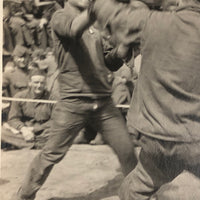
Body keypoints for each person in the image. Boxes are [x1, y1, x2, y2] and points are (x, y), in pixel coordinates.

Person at [12, 0, 137, 199]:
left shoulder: (94, 27)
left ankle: (138, 194)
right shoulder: (60, 17)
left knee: (127, 151)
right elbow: (73, 30)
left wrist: (124, 46)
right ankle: (24, 196)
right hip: (73, 102)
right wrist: (97, 9)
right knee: (51, 154)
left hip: (103, 102)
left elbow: (109, 62)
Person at [91, 0, 200, 199]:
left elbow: (104, 8)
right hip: (195, 140)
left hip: (160, 139)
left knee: (133, 190)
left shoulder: (153, 22)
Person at [2, 68, 52, 149]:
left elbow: (56, 120)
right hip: (25, 131)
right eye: (36, 82)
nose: (39, 86)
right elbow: (13, 119)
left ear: (45, 84)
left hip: (44, 130)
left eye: (42, 83)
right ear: (30, 83)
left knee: (70, 132)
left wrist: (34, 129)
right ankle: (41, 144)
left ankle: (27, 144)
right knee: (2, 132)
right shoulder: (19, 97)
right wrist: (23, 129)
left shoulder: (52, 97)